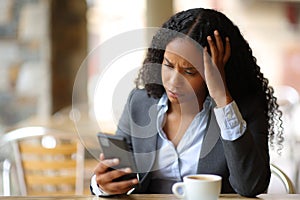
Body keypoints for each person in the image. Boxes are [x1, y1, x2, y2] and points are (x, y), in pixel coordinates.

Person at [91, 8, 283, 197]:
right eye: (168, 65)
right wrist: (103, 185)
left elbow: (251, 186)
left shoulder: (243, 110)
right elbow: (119, 174)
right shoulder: (140, 103)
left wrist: (222, 98)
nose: (173, 82)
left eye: (189, 71)